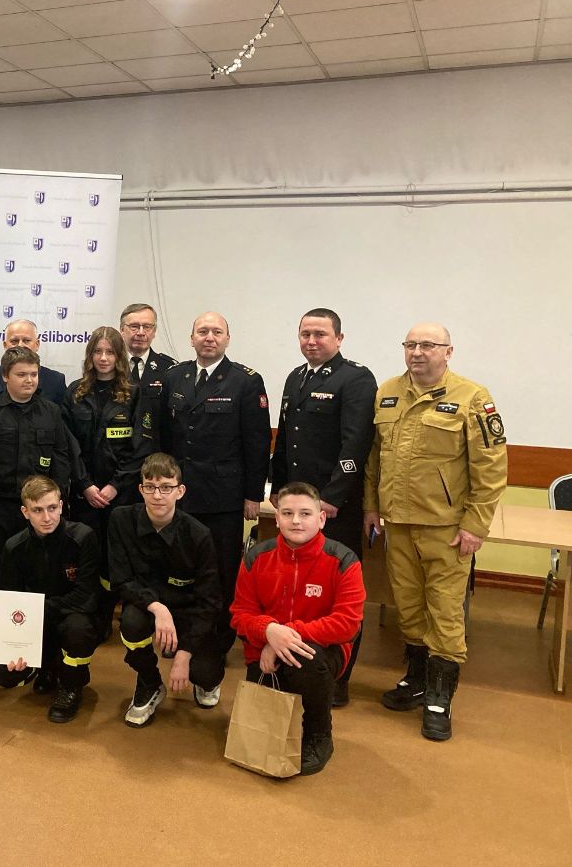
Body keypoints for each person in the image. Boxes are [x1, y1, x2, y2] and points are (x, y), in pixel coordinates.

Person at [364, 322, 507, 741]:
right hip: (398, 524)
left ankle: (440, 699)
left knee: (444, 612)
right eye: (410, 344)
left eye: (427, 344)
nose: (417, 351)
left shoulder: (472, 398)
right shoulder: (387, 392)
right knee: (408, 606)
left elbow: (491, 468)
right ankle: (417, 679)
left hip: (446, 529)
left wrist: (475, 525)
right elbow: (374, 458)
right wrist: (372, 506)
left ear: (448, 351)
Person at [270, 308, 376, 706]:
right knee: (299, 589)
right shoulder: (296, 378)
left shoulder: (356, 379)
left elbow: (356, 444)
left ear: (339, 339)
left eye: (320, 334)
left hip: (334, 507)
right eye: (305, 334)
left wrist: (331, 497)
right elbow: (286, 438)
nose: (311, 341)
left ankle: (338, 677)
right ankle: (297, 662)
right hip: (297, 504)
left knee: (337, 593)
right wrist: (278, 487)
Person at [155, 311, 271, 653]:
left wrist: (253, 494)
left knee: (220, 570)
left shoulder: (246, 381)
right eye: (202, 331)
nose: (209, 337)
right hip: (180, 495)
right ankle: (179, 635)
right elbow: (164, 436)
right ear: (191, 338)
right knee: (179, 567)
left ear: (227, 339)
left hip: (224, 497)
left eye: (217, 332)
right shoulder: (174, 376)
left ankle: (216, 639)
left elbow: (257, 442)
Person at [232, 482, 366, 776]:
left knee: (304, 659)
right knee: (262, 718)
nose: (296, 521)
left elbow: (347, 624)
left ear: (321, 518)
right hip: (264, 651)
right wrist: (269, 632)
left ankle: (319, 734)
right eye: (287, 513)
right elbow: (240, 615)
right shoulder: (256, 557)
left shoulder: (344, 560)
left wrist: (283, 635)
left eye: (305, 513)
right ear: (276, 518)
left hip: (319, 654)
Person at [0, 346, 73, 664]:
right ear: (5, 376)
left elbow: (61, 457)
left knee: (36, 573)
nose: (29, 380)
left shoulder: (51, 411)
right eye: (21, 374)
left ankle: (29, 639)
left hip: (38, 511)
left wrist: (56, 501)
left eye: (34, 374)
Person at [108, 453, 225, 725]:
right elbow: (121, 580)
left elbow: (210, 601)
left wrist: (184, 654)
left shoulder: (199, 535)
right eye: (150, 487)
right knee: (131, 623)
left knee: (204, 671)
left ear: (180, 491)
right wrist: (158, 608)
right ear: (141, 489)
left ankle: (205, 679)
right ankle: (150, 681)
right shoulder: (121, 520)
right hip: (149, 606)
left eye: (166, 487)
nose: (157, 495)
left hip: (189, 610)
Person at [0, 476, 100, 724]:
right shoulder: (14, 547)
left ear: (61, 506)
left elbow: (86, 597)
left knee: (78, 630)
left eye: (51, 508)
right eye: (37, 510)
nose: (47, 517)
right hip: (34, 621)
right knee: (1, 673)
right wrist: (13, 643)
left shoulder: (83, 538)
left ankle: (71, 685)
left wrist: (39, 609)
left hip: (72, 615)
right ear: (25, 512)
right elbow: (10, 602)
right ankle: (45, 668)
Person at [62, 325, 151, 640]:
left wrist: (115, 485)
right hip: (84, 494)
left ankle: (105, 618)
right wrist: (85, 484)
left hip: (120, 495)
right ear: (89, 356)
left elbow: (140, 448)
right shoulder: (75, 392)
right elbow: (68, 444)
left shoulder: (134, 393)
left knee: (114, 559)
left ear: (119, 356)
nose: (103, 358)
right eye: (97, 352)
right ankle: (86, 617)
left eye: (110, 352)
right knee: (86, 556)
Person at [0, 319, 68, 406]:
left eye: (26, 340)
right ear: (5, 345)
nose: (20, 345)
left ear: (37, 344)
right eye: (14, 341)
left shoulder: (56, 381)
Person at [119, 302, 178, 437]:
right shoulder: (110, 366)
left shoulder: (169, 369)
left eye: (147, 327)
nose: (141, 332)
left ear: (154, 331)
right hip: (118, 446)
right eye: (134, 326)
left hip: (155, 446)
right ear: (122, 329)